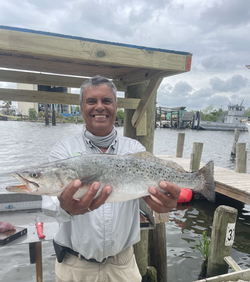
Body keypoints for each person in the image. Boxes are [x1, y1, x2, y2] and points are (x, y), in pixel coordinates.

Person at [42, 75, 180, 282]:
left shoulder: (134, 149)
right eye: (91, 101)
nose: (99, 107)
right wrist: (65, 207)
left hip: (123, 266)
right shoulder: (64, 151)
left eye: (106, 101)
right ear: (81, 107)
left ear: (116, 107)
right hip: (75, 266)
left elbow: (145, 201)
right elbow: (49, 205)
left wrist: (164, 204)